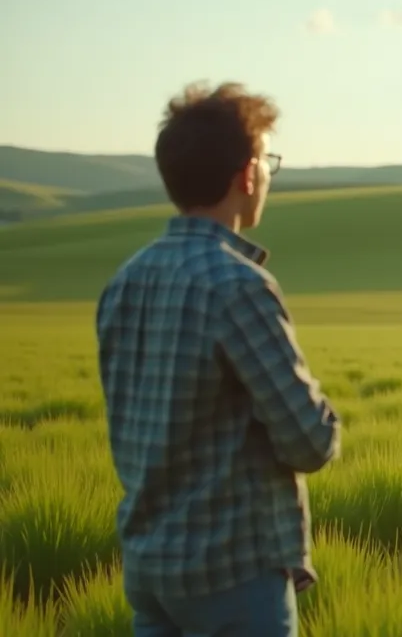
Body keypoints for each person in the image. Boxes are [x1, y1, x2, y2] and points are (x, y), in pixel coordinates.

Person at [95, 81, 341, 636]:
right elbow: (309, 443)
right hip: (232, 575)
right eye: (268, 161)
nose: (269, 175)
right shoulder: (237, 284)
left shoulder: (125, 281)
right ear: (247, 175)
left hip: (149, 569)